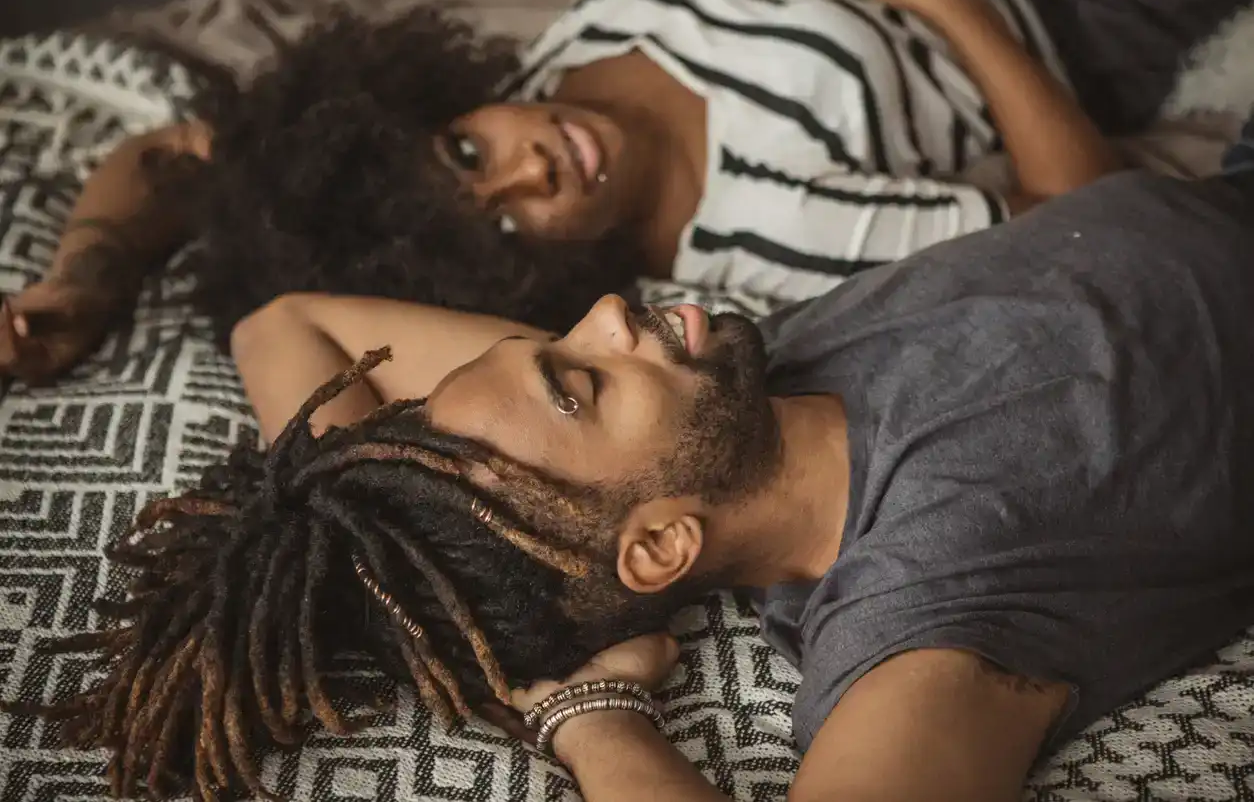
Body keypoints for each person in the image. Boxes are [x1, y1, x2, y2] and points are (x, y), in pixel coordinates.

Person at [10, 118, 1254, 800]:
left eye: (562, 343)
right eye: (580, 377)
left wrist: (380, 536)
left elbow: (286, 325)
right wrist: (589, 709)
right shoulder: (932, 603)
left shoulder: (725, 395)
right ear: (658, 544)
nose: (610, 312)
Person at [1, 0, 1248, 384]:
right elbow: (1098, 212)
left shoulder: (556, 51)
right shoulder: (759, 225)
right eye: (511, 222)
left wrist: (86, 282)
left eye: (468, 151)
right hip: (1068, 7)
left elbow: (179, 155)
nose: (533, 163)